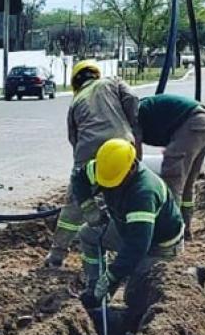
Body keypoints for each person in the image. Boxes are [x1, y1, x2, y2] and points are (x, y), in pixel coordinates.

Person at [71, 139, 184, 324]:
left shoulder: (144, 192)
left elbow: (137, 246)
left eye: (114, 183)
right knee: (88, 236)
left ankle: (187, 278)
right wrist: (88, 206)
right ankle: (95, 291)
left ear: (131, 168)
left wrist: (112, 275)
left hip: (159, 245)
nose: (109, 187)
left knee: (135, 298)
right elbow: (79, 178)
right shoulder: (105, 168)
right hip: (127, 227)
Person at [45, 60, 141, 268]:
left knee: (73, 205)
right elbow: (132, 99)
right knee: (123, 197)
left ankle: (56, 255)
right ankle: (123, 248)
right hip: (121, 147)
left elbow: (73, 137)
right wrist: (131, 125)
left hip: (88, 150)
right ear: (95, 75)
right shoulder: (112, 82)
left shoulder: (76, 100)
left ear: (76, 83)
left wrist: (81, 171)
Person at [137, 93, 205, 240]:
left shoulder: (132, 114)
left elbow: (135, 156)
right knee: (187, 184)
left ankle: (168, 235)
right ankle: (184, 229)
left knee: (171, 181)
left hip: (192, 125)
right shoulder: (142, 107)